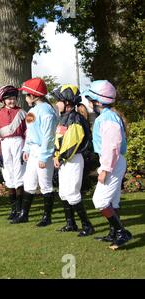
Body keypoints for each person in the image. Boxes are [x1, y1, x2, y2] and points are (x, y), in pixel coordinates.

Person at [82, 80, 132, 250]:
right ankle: (113, 233)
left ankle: (121, 232)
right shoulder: (108, 117)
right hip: (114, 161)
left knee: (100, 201)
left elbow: (112, 147)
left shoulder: (107, 119)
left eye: (89, 99)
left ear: (98, 101)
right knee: (113, 200)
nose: (88, 103)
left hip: (112, 162)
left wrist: (105, 169)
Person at [11, 78, 58, 226]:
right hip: (33, 151)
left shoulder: (47, 112)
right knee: (29, 182)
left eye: (26, 94)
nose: (25, 97)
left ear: (34, 95)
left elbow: (48, 136)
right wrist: (26, 148)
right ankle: (24, 214)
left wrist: (44, 157)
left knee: (45, 185)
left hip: (44, 151)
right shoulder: (31, 111)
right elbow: (30, 132)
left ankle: (47, 217)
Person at [52, 84, 95, 236]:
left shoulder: (75, 118)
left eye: (58, 100)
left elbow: (72, 144)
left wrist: (60, 157)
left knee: (72, 192)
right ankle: (71, 224)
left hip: (73, 159)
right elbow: (59, 140)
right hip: (64, 160)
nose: (56, 103)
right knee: (63, 192)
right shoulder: (64, 117)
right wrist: (55, 155)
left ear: (67, 102)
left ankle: (87, 226)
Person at [0, 85, 27, 220]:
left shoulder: (23, 113)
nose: (11, 101)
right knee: (8, 176)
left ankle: (20, 210)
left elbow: (28, 132)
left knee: (19, 175)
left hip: (19, 143)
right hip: (5, 145)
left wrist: (26, 149)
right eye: (8, 99)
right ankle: (13, 210)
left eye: (13, 98)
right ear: (3, 100)